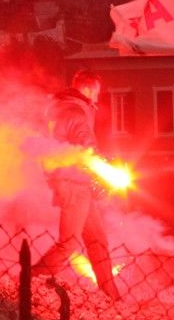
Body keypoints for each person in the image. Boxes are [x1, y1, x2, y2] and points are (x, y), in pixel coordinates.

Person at [32, 69, 121, 301]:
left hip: (74, 181)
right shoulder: (77, 112)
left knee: (97, 239)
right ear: (88, 89)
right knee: (69, 242)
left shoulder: (60, 107)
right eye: (97, 93)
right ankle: (30, 281)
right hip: (74, 184)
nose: (98, 99)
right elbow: (87, 149)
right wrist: (108, 174)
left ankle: (112, 295)